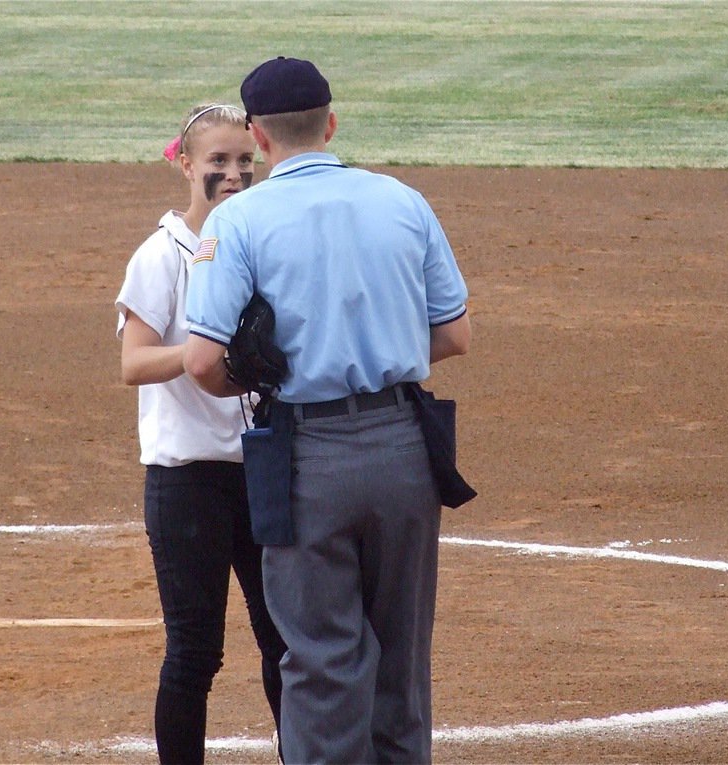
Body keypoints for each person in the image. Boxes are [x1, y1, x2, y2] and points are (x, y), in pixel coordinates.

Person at [183, 58, 472, 764]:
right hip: (408, 448)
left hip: (308, 456)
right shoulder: (404, 201)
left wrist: (253, 382)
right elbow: (456, 333)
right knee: (401, 659)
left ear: (257, 135)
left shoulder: (241, 218)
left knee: (319, 660)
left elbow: (200, 361)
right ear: (332, 123)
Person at [114, 102, 285, 765]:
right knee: (194, 652)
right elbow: (134, 361)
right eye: (218, 161)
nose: (235, 174)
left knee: (286, 641)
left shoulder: (262, 246)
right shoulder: (160, 256)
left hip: (262, 468)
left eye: (246, 160)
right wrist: (208, 357)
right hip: (187, 480)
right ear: (185, 165)